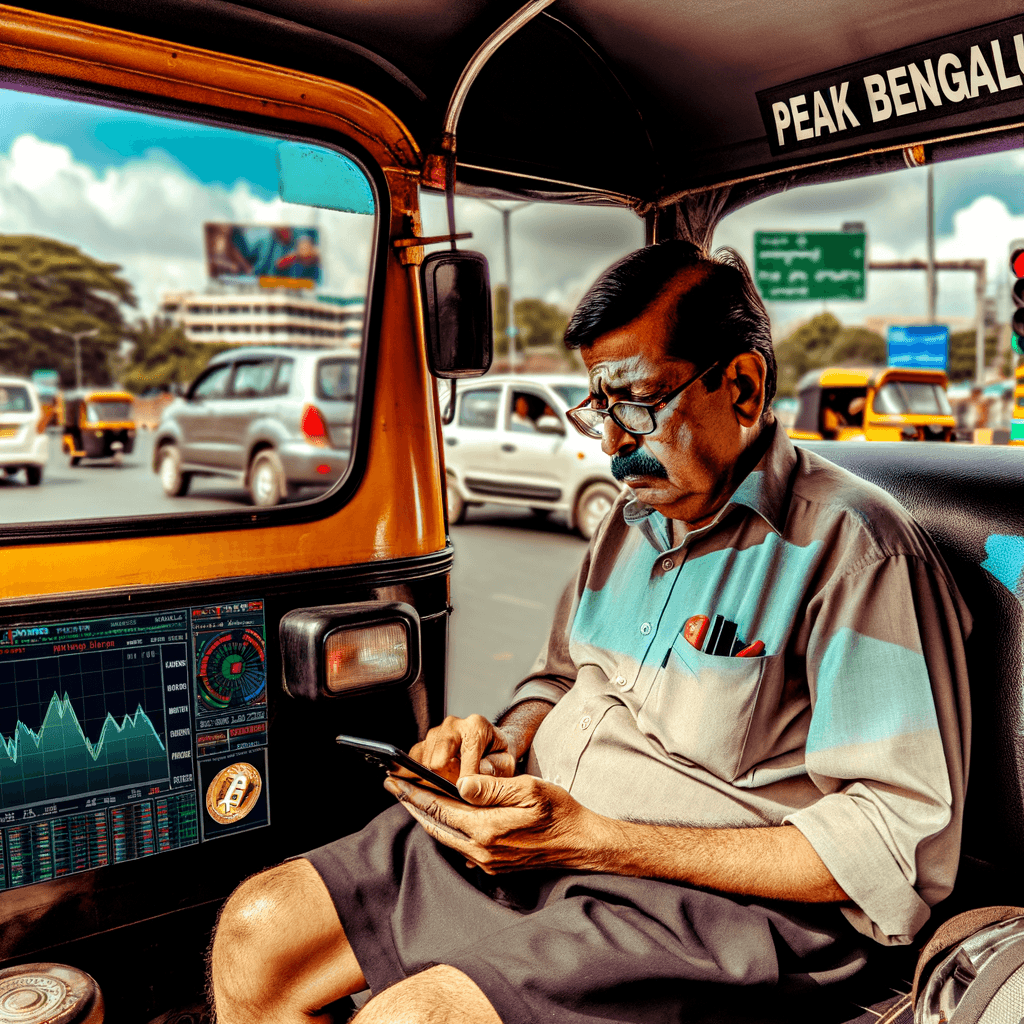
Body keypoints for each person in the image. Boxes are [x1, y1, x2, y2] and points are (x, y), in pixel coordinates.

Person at [210, 240, 971, 1024]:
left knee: (416, 1018)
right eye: (597, 407)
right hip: (540, 844)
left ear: (742, 386)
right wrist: (499, 743)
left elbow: (893, 841)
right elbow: (557, 679)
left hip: (707, 906)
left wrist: (596, 841)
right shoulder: (629, 522)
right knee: (257, 932)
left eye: (635, 403)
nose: (608, 441)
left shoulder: (854, 551)